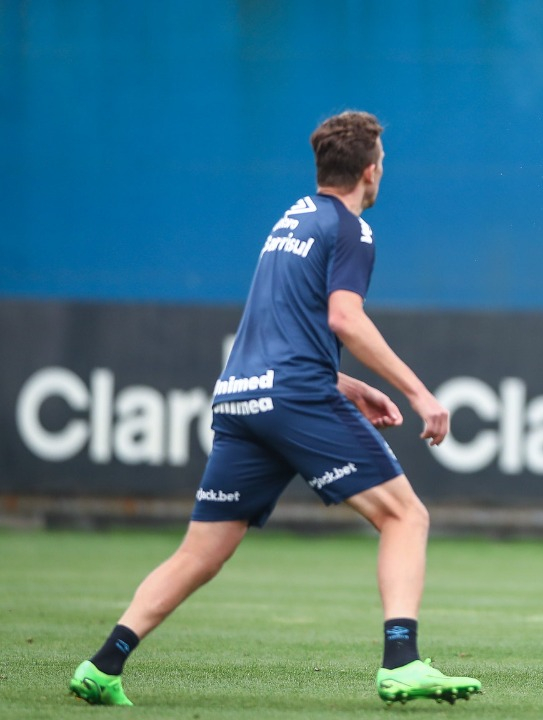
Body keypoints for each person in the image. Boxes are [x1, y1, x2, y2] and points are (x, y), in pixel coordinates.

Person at [68, 111, 481, 706]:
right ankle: (402, 661)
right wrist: (419, 393)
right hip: (292, 396)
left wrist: (343, 384)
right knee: (405, 516)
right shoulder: (352, 230)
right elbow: (344, 318)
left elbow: (279, 331)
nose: (381, 173)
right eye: (382, 164)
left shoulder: (290, 220)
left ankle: (104, 664)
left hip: (242, 395)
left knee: (201, 551)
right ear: (370, 171)